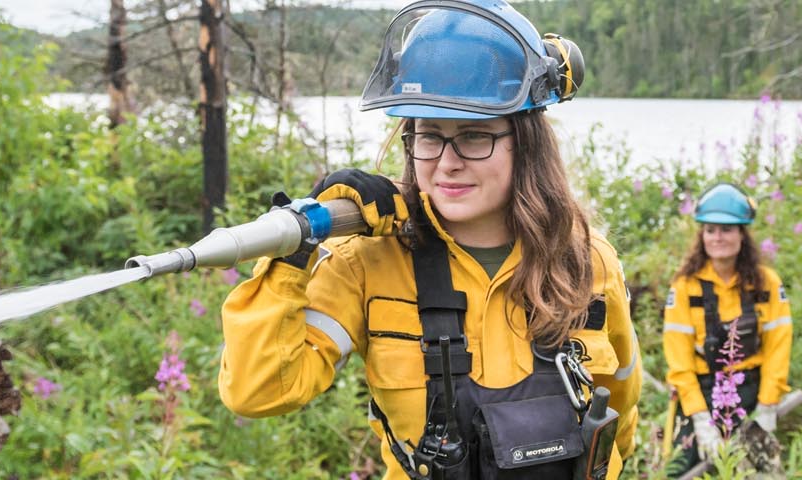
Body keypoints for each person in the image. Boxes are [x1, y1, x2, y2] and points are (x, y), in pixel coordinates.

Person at [217, 1, 639, 478]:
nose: (447, 161)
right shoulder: (365, 264)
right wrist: (297, 247)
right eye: (429, 135)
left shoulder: (587, 261)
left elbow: (619, 408)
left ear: (525, 140)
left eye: (475, 136)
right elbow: (258, 391)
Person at [660, 184, 793, 475]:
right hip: (700, 394)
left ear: (742, 235)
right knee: (679, 470)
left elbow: (778, 347)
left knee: (761, 472)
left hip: (750, 392)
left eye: (726, 229)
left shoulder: (766, 283)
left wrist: (768, 406)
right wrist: (699, 418)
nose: (718, 237)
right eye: (710, 230)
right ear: (702, 236)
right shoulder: (685, 286)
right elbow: (679, 361)